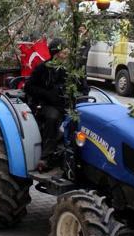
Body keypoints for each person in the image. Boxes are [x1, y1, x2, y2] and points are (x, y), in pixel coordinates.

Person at [24, 38, 88, 171]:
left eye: (67, 53)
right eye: (63, 53)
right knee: (52, 117)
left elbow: (84, 88)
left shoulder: (73, 69)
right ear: (55, 54)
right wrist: (47, 94)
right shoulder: (43, 68)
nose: (66, 56)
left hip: (69, 104)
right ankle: (46, 157)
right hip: (48, 105)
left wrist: (80, 96)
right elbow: (29, 87)